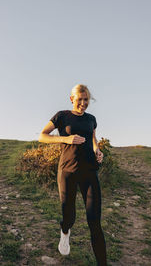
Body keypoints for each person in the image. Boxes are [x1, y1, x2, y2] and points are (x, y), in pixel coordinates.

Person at [39, 84, 107, 266]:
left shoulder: (92, 119)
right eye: (80, 100)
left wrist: (98, 151)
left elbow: (93, 141)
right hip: (67, 171)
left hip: (90, 172)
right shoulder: (62, 116)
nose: (83, 103)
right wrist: (65, 139)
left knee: (95, 222)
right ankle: (65, 231)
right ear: (72, 99)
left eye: (86, 100)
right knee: (69, 216)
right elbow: (42, 135)